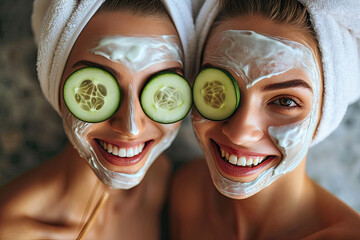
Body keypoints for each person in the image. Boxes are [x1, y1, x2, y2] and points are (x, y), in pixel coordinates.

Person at [0, 0, 194, 239]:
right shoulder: (12, 230)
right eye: (94, 87)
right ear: (54, 85)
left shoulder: (160, 180)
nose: (130, 128)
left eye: (161, 90)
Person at [170, 0, 360, 239]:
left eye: (285, 102)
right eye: (219, 88)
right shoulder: (187, 190)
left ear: (325, 113)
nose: (239, 133)